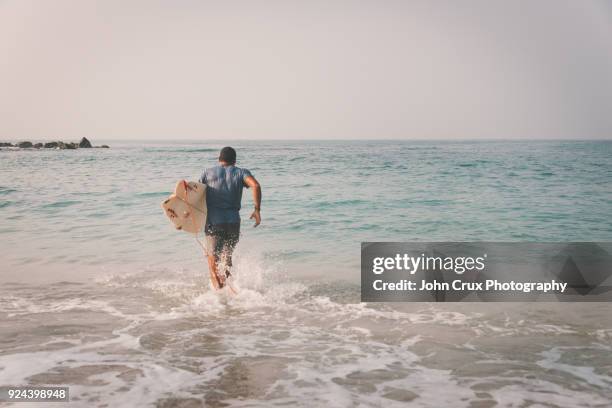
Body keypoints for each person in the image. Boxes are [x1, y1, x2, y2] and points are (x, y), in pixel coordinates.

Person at [199, 147, 261, 289]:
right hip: (233, 224)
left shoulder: (207, 173)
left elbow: (195, 195)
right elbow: (255, 186)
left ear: (219, 159)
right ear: (234, 161)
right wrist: (257, 210)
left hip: (214, 224)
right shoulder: (241, 172)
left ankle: (219, 299)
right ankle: (233, 293)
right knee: (226, 260)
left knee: (212, 261)